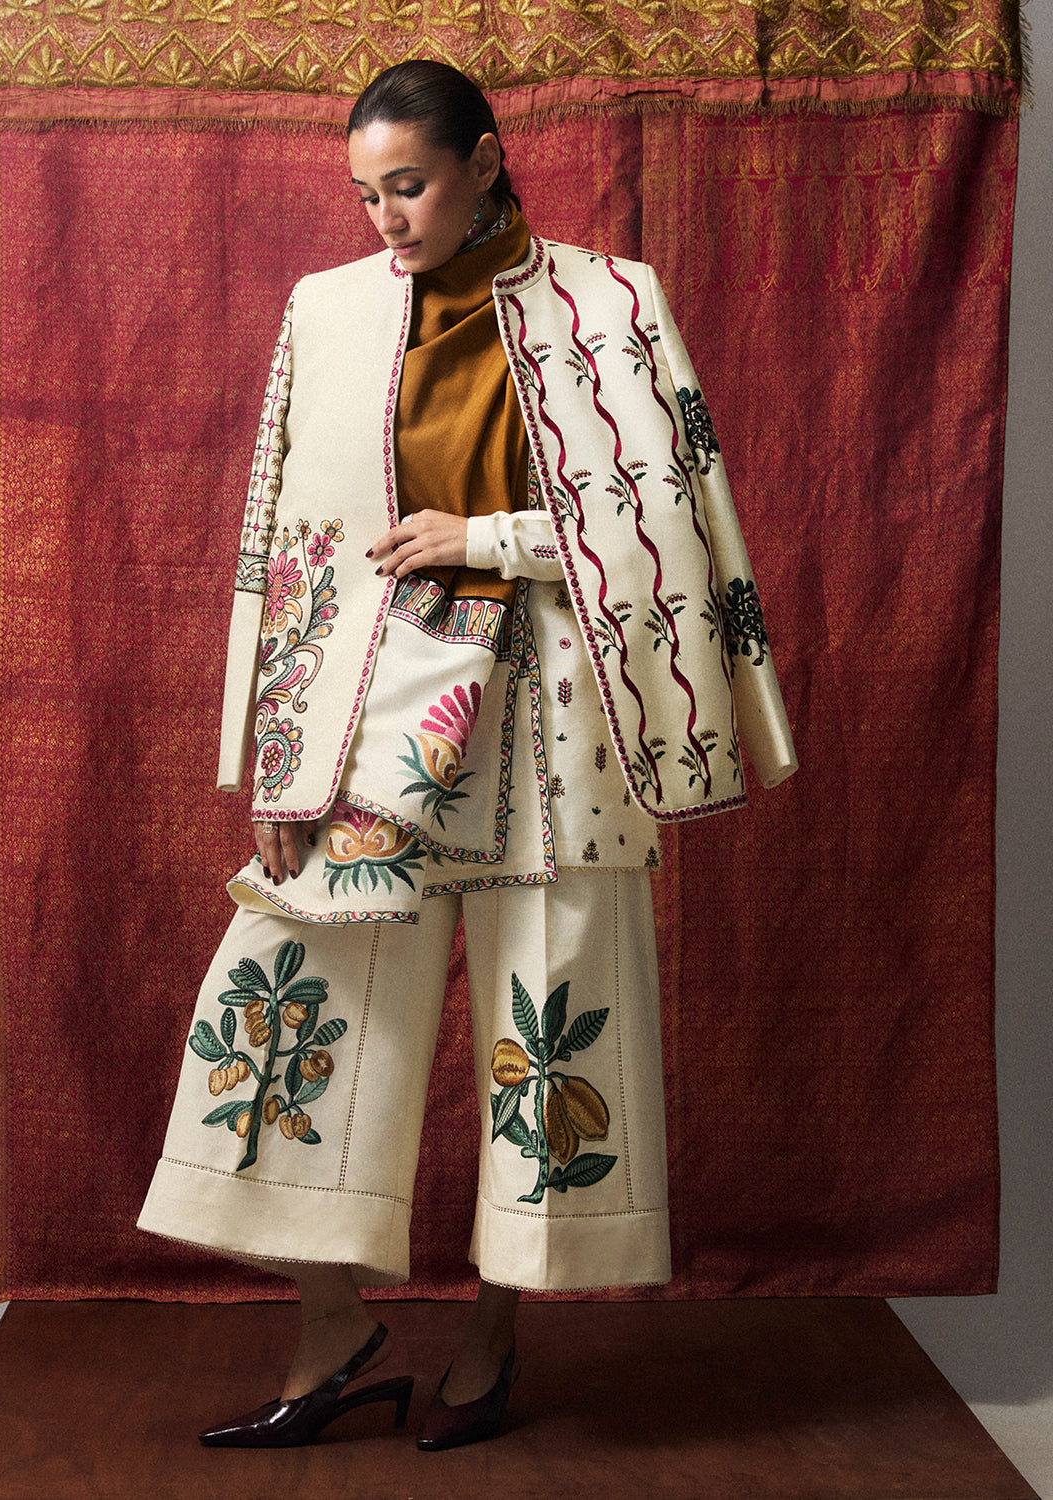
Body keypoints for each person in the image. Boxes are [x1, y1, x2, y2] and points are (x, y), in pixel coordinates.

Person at [139, 59, 797, 1451]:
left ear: (486, 162)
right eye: (367, 193)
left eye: (412, 185)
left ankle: (492, 1339)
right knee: (285, 997)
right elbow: (287, 544)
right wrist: (279, 764)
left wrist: (489, 538)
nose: (389, 217)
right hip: (375, 704)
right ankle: (336, 1331)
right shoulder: (325, 311)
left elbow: (670, 525)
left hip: (559, 711)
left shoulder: (611, 302)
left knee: (546, 1024)